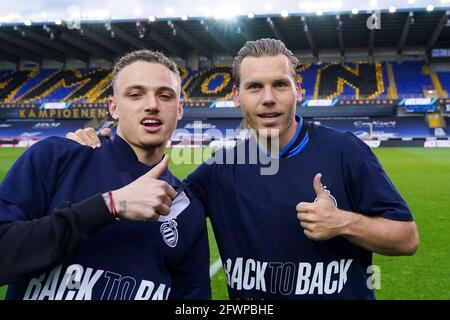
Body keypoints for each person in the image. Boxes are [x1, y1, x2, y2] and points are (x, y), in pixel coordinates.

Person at [67, 38, 420, 300]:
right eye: (255, 87)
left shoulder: (345, 151)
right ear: (237, 96)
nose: (268, 98)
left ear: (298, 90)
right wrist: (98, 149)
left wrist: (343, 222)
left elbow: (407, 238)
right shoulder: (219, 170)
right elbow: (155, 201)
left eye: (280, 84)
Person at [0, 50, 211, 300]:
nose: (152, 105)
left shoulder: (186, 207)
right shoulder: (56, 157)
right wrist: (108, 205)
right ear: (113, 107)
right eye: (135, 94)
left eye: (165, 96)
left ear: (179, 110)